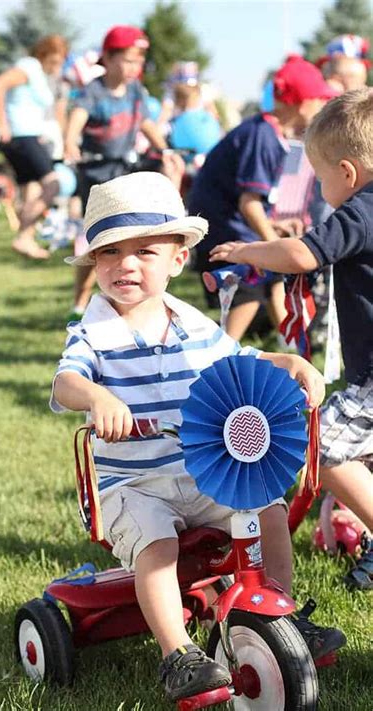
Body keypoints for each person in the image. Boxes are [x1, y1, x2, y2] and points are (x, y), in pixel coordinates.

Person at [50, 171, 345, 701]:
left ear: (177, 259)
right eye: (110, 252)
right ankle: (178, 654)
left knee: (267, 509)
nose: (127, 265)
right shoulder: (93, 333)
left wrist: (289, 361)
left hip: (201, 473)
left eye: (145, 251)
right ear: (94, 263)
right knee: (159, 544)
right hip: (134, 486)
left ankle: (283, 613)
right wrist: (98, 397)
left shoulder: (190, 323)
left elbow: (239, 360)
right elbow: (66, 380)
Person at [210, 88, 373, 590]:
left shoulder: (362, 207)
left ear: (346, 173)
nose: (320, 187)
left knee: (319, 446)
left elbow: (304, 255)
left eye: (319, 177)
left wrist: (251, 250)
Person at [188, 55, 336, 342]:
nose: (322, 106)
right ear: (300, 101)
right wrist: (274, 244)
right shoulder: (262, 135)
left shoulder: (268, 131)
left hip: (233, 223)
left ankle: (294, 342)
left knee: (272, 280)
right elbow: (248, 203)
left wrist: (274, 227)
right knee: (250, 287)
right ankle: (221, 350)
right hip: (223, 228)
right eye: (319, 100)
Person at [64, 25, 183, 319]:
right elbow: (77, 118)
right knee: (97, 244)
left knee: (129, 242)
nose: (134, 67)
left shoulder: (135, 92)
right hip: (96, 177)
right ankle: (79, 303)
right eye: (128, 60)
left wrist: (166, 150)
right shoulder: (95, 91)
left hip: (125, 174)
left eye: (139, 61)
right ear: (108, 57)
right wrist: (69, 141)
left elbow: (146, 125)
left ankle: (130, 301)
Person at [0, 35, 68, 259]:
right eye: (55, 60)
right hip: (21, 136)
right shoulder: (29, 67)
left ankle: (26, 239)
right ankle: (24, 230)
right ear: (44, 54)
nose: (57, 66)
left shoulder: (40, 75)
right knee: (53, 184)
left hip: (31, 136)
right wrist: (2, 123)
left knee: (32, 189)